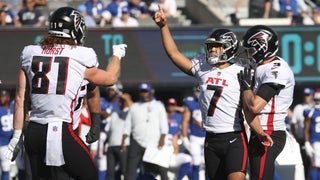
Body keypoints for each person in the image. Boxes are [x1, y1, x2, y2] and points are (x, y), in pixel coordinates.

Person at [5, 6, 127, 180]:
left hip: (33, 133)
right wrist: (117, 56)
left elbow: (19, 99)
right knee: (90, 175)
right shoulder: (80, 56)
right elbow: (110, 78)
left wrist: (17, 135)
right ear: (75, 29)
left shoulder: (30, 53)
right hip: (58, 130)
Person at [153, 6, 272, 180]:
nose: (212, 50)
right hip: (210, 139)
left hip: (234, 138)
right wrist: (163, 27)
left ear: (229, 47)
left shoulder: (242, 70)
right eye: (211, 47)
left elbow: (249, 107)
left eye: (217, 46)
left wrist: (260, 132)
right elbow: (174, 54)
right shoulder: (203, 66)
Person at [238, 24, 295, 180]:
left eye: (250, 49)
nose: (248, 53)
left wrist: (246, 87)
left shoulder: (277, 70)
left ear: (262, 47)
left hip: (269, 132)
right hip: (260, 130)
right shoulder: (264, 66)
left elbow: (255, 106)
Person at [121, 82, 168, 180]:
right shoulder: (134, 106)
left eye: (146, 91)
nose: (144, 94)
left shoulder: (159, 105)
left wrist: (162, 138)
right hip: (136, 141)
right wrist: (124, 141)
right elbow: (127, 125)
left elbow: (164, 124)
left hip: (153, 143)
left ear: (150, 92)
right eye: (142, 92)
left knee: (151, 170)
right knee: (130, 169)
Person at [104, 92, 133, 180]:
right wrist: (105, 143)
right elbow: (108, 130)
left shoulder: (131, 112)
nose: (120, 102)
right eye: (119, 101)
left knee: (125, 171)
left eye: (122, 101)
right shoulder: (114, 112)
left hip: (123, 146)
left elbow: (132, 106)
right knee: (110, 174)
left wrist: (124, 97)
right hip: (111, 146)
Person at [181, 86, 206, 180]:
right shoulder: (191, 103)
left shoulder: (209, 101)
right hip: (195, 137)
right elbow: (185, 121)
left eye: (201, 90)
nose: (199, 92)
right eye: (197, 90)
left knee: (208, 163)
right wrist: (184, 137)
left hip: (207, 136)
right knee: (196, 162)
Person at [291, 87, 314, 179]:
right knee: (304, 163)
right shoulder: (298, 108)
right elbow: (293, 123)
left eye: (308, 95)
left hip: (314, 140)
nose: (306, 97)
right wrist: (296, 137)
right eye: (305, 95)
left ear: (312, 96)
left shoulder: (315, 108)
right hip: (302, 140)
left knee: (315, 163)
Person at [304, 88, 320, 180]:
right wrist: (306, 142)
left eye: (319, 100)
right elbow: (306, 128)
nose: (317, 102)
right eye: (316, 100)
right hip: (315, 142)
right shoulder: (311, 112)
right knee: (316, 165)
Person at [0, 90, 14, 180]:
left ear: (8, 97)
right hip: (3, 143)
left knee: (21, 166)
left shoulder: (14, 106)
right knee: (6, 168)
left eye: (4, 96)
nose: (2, 98)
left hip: (15, 142)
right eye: (1, 96)